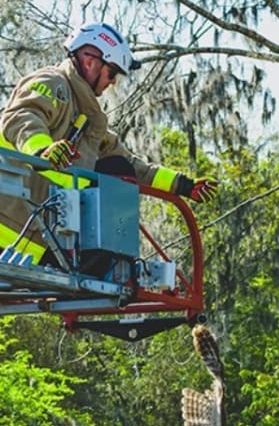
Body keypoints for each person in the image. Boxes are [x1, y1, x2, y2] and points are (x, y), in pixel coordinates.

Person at [0, 22, 218, 265]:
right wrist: (41, 150)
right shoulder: (53, 83)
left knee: (117, 168)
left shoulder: (88, 120)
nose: (113, 82)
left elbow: (129, 165)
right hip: (9, 224)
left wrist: (182, 185)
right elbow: (22, 117)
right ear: (90, 60)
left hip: (37, 242)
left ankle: (98, 265)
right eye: (112, 72)